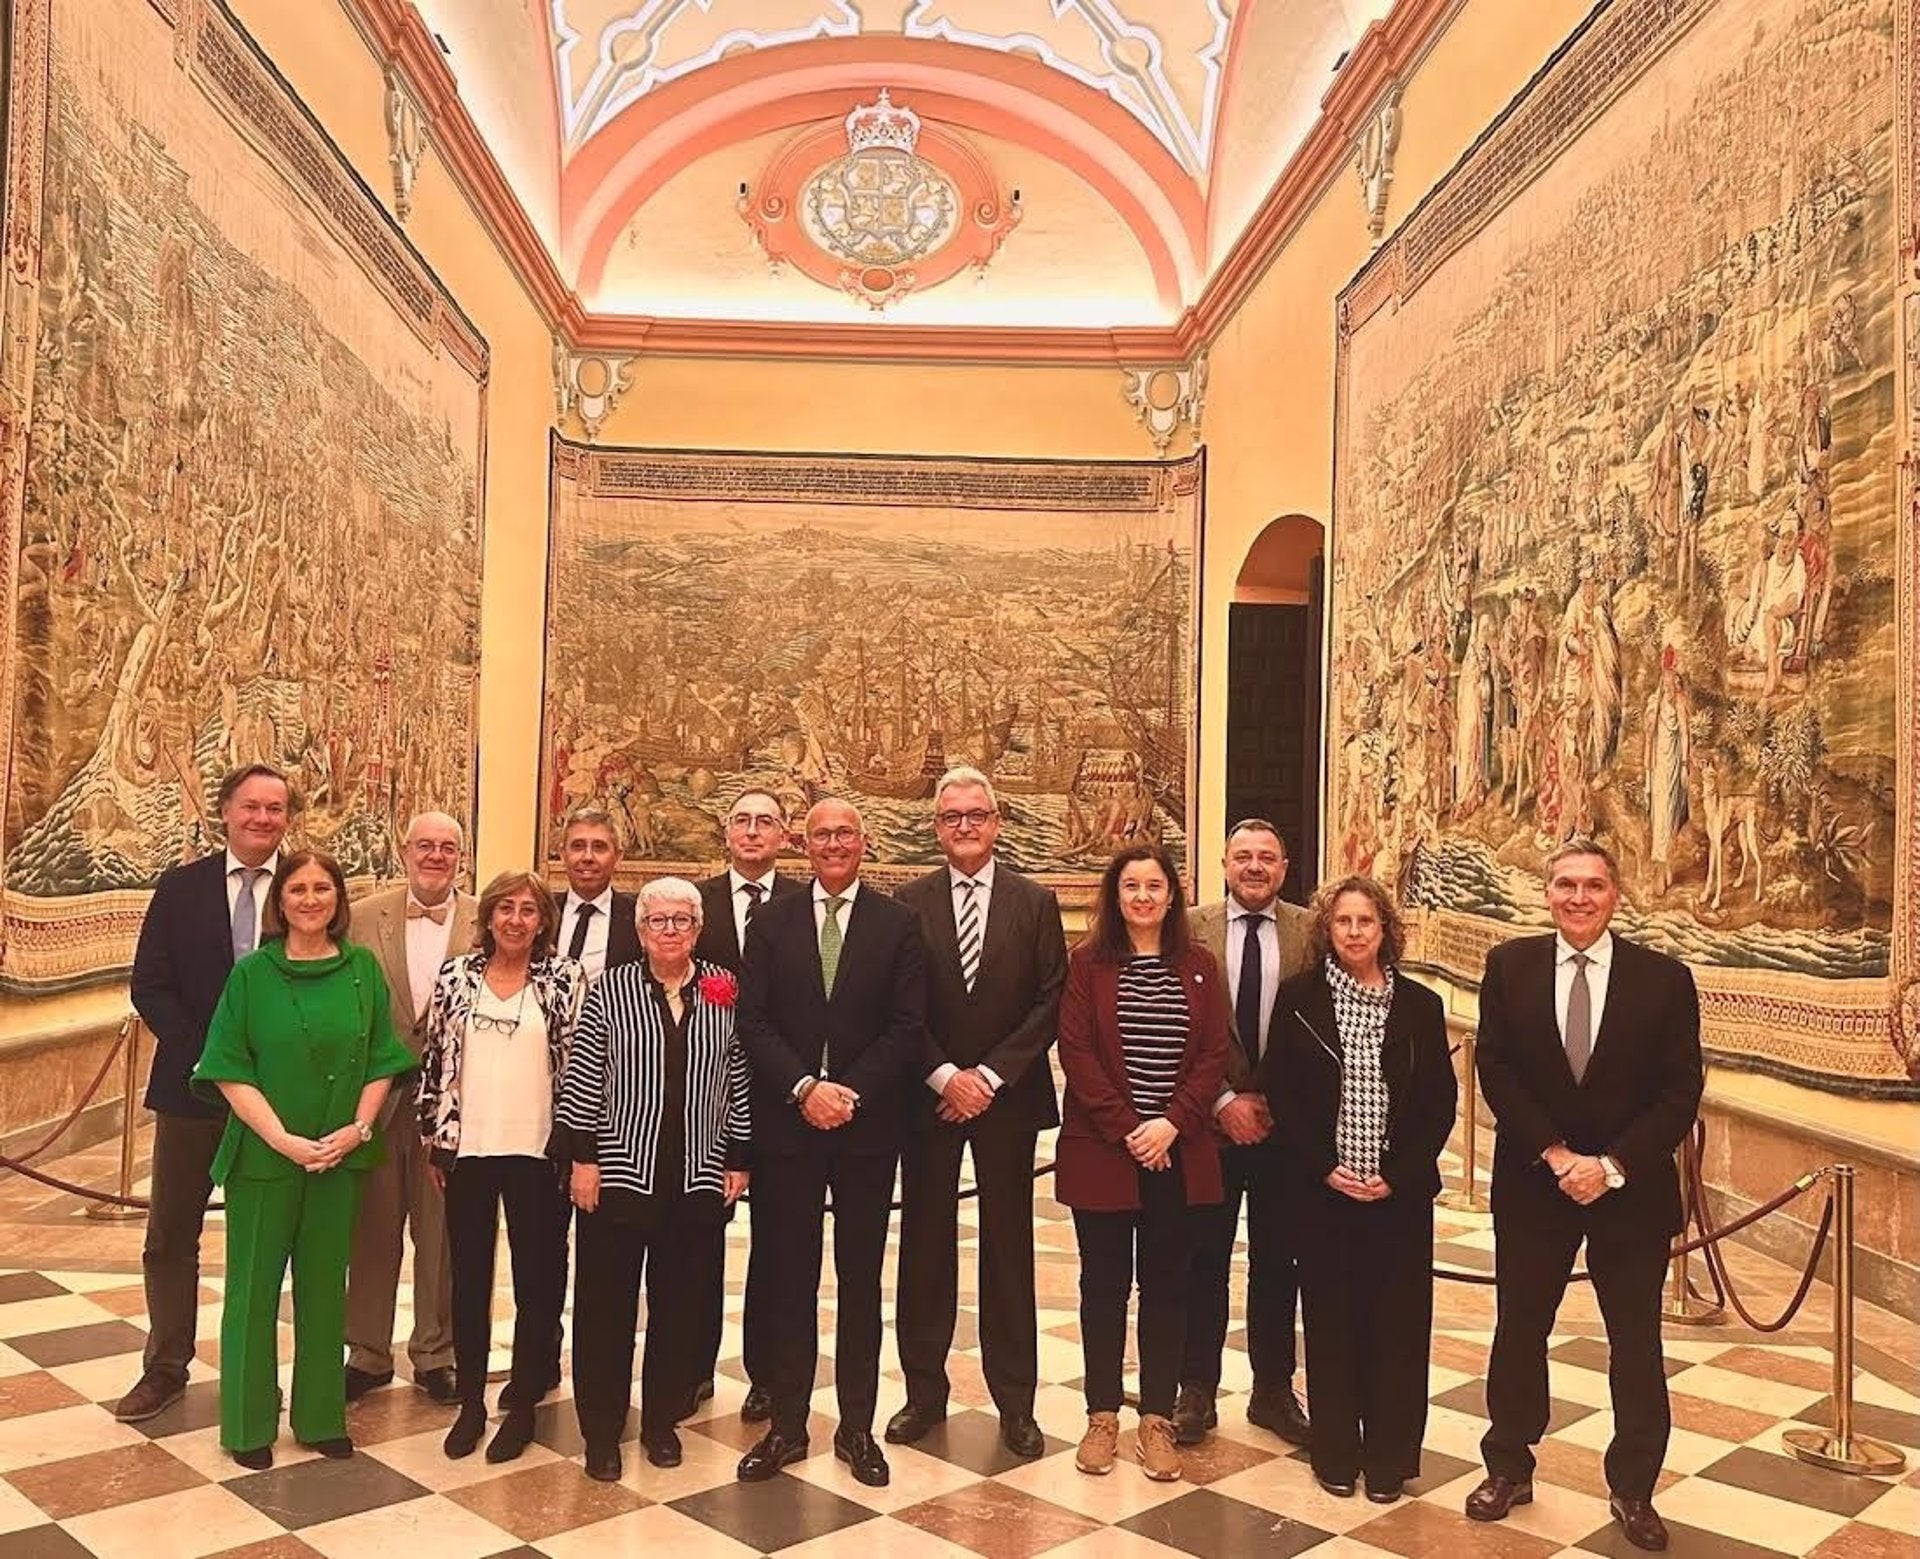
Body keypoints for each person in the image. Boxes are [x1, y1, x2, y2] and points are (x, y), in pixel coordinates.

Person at [1466, 839, 1703, 1553]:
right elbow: (1496, 1068)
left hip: (1629, 1192)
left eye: (1593, 885)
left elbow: (1680, 1087)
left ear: (1615, 893)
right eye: (1565, 884)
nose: (1578, 897)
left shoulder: (1664, 978)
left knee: (1635, 1343)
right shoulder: (1510, 966)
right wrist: (1558, 1154)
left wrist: (1612, 1163)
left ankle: (1633, 1485)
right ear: (1547, 893)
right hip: (1536, 1183)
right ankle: (1508, 1464)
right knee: (1519, 1330)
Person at [190, 851, 416, 1468]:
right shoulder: (252, 975)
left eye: (323, 888)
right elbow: (228, 1068)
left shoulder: (362, 970)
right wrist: (282, 1140)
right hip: (265, 1159)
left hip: (339, 1157)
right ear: (279, 901)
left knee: (323, 1290)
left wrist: (359, 1129)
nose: (311, 899)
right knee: (254, 1292)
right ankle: (246, 1424)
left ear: (339, 900)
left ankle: (319, 1416)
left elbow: (383, 1060)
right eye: (298, 889)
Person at [735, 797, 926, 1489]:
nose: (834, 843)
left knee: (859, 1282)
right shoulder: (773, 921)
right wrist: (803, 1089)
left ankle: (856, 1425)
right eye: (821, 834)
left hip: (867, 1132)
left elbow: (907, 1026)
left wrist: (847, 1092)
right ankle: (788, 1424)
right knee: (790, 1279)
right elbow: (751, 1021)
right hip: (788, 1130)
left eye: (845, 832)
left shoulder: (898, 924)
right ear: (803, 845)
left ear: (863, 840)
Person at [889, 767, 1067, 1459]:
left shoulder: (1035, 900)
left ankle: (1016, 1402)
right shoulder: (907, 903)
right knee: (925, 1246)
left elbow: (1050, 998)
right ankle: (924, 1393)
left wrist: (988, 1076)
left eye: (977, 814)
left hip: (1007, 1099)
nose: (965, 825)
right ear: (937, 827)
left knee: (1008, 1248)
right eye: (952, 816)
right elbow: (902, 1007)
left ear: (998, 822)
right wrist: (944, 1076)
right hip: (929, 1098)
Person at [551, 879, 751, 1482]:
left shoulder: (722, 988)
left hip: (696, 1176)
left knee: (680, 1307)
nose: (670, 931)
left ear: (697, 928)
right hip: (617, 1175)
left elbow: (736, 1072)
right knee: (605, 1309)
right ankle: (602, 1432)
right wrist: (583, 1159)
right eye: (658, 921)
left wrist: (738, 1156)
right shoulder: (611, 988)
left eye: (682, 921)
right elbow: (583, 1078)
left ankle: (662, 1421)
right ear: (639, 931)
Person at [1262, 876, 1454, 1503]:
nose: (1353, 933)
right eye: (1342, 923)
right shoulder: (1298, 999)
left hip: (1396, 1197)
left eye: (1365, 922)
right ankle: (1337, 1453)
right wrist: (1324, 1167)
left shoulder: (1421, 1007)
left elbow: (1439, 1105)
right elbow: (1283, 1094)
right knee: (1331, 1322)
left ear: (1384, 930)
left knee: (1397, 1327)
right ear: (1327, 930)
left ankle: (1391, 1458)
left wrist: (1397, 1175)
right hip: (1325, 1192)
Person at [115, 764, 293, 1424]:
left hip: (278, 1098)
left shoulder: (305, 888)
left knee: (263, 1237)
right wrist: (213, 1057)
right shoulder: (181, 887)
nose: (263, 818)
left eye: (276, 808)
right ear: (226, 812)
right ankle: (165, 1363)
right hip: (192, 1088)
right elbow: (150, 984)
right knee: (170, 1234)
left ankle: (253, 1365)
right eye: (252, 805)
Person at [1056, 843, 1228, 1483]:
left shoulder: (1201, 966)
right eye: (1131, 887)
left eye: (1154, 886)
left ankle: (1156, 1419)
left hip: (1178, 1153)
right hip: (1105, 1152)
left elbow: (1213, 1055)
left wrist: (1170, 1124)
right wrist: (1129, 1127)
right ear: (1115, 895)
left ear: (1172, 895)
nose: (1143, 897)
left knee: (1167, 1288)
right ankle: (1102, 1415)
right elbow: (1076, 1053)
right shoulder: (1088, 965)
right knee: (1102, 1288)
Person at [417, 872, 586, 1463]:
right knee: (468, 1278)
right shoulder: (455, 977)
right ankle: (470, 1403)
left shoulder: (565, 979)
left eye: (529, 910)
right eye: (506, 909)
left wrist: (575, 1144)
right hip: (470, 1149)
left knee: (538, 1282)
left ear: (543, 921)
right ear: (488, 917)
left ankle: (521, 1405)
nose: (516, 920)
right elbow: (435, 1061)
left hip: (540, 1151)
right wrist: (436, 1139)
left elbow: (579, 1066)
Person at [1178, 820, 1313, 1448]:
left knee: (1278, 1262)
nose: (1254, 867)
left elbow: (1323, 1031)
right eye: (1243, 857)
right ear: (1224, 863)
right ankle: (1195, 1389)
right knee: (1201, 1259)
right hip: (1210, 1126)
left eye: (1267, 858)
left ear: (1284, 869)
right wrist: (1225, 1099)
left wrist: (1273, 1101)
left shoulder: (1312, 932)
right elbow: (1175, 1027)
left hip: (1286, 1132)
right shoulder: (1191, 929)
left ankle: (1272, 1390)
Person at [343, 812, 479, 1405]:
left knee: (444, 1232)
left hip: (455, 1105)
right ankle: (366, 1353)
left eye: (447, 847)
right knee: (371, 1229)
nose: (435, 856)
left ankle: (436, 1352)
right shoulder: (363, 915)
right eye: (424, 845)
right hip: (377, 1096)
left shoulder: (485, 917)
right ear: (405, 851)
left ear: (460, 856)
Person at [692, 788, 803, 1425]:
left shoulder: (804, 903)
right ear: (725, 832)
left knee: (779, 1246)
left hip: (781, 1096)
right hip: (703, 1098)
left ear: (784, 835)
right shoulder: (693, 903)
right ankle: (691, 1367)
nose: (753, 831)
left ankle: (767, 1374)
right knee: (698, 1237)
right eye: (742, 820)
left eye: (766, 822)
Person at [555, 809, 641, 981]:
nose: (587, 857)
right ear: (563, 854)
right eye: (578, 846)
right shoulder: (542, 911)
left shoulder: (637, 916)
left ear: (618, 857)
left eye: (599, 847)